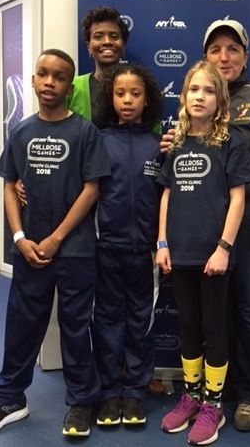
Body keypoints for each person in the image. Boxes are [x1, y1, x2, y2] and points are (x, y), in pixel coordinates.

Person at [0, 49, 110, 437]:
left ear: (69, 85)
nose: (50, 82)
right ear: (32, 81)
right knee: (22, 324)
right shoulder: (22, 132)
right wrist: (20, 236)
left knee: (76, 326)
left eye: (60, 77)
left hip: (75, 250)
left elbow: (92, 188)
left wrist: (56, 237)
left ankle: (82, 401)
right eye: (43, 75)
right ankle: (10, 398)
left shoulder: (85, 133)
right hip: (29, 250)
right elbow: (9, 186)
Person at [156, 61, 250, 446]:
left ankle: (214, 404)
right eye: (194, 89)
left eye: (209, 91)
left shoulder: (231, 142)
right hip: (179, 253)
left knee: (214, 329)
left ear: (220, 99)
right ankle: (191, 396)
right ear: (184, 97)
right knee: (187, 328)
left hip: (213, 256)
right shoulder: (176, 141)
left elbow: (238, 197)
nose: (200, 96)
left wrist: (224, 248)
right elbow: (166, 194)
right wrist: (162, 242)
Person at [92, 63, 164, 427]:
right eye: (120, 93)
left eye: (135, 93)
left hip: (146, 252)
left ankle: (134, 392)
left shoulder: (159, 145)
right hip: (106, 250)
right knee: (107, 321)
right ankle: (109, 392)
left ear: (147, 98)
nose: (127, 100)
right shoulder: (99, 140)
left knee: (141, 321)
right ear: (110, 97)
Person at [68, 5, 129, 127]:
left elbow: (152, 136)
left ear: (123, 46)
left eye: (114, 36)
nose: (107, 41)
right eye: (98, 36)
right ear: (88, 47)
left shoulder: (139, 86)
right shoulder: (72, 87)